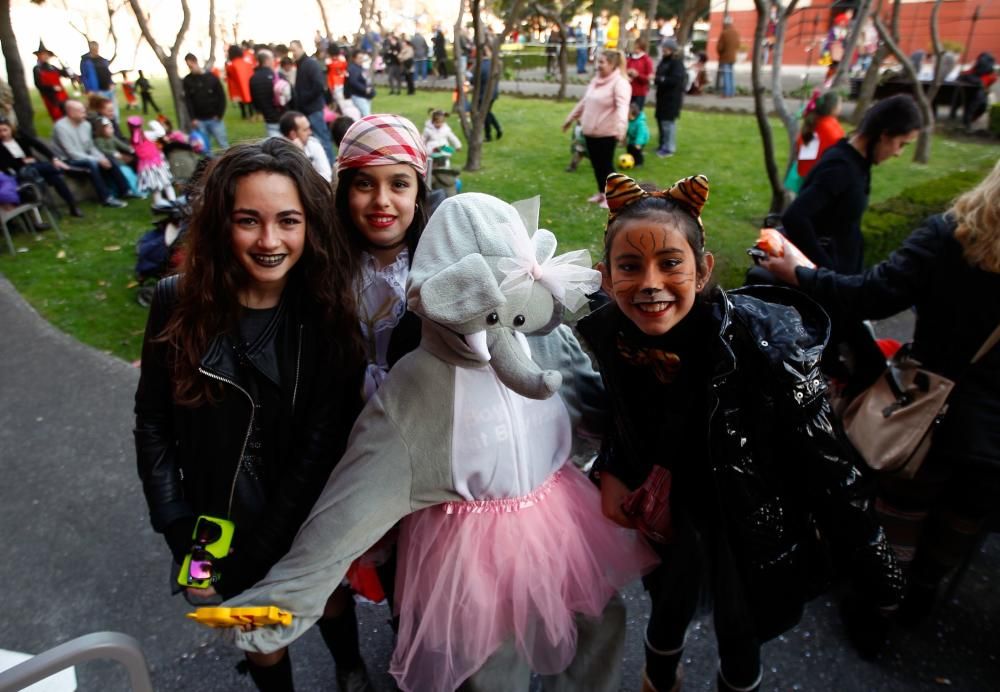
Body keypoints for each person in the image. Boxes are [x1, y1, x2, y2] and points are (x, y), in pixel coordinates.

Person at [222, 181, 656, 692]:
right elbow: (348, 508)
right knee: (491, 663)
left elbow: (601, 407)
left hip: (561, 524)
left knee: (595, 626)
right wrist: (284, 600)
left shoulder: (545, 342)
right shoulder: (415, 389)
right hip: (471, 555)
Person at [579, 171, 903, 692]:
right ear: (605, 276)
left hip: (749, 522)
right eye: (630, 267)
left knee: (740, 625)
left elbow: (828, 465)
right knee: (667, 598)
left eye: (670, 264)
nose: (650, 283)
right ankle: (659, 677)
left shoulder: (764, 346)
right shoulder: (616, 335)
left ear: (704, 270)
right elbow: (625, 415)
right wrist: (616, 465)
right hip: (671, 510)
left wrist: (874, 565)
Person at [134, 137, 370, 692]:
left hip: (306, 511)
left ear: (310, 225)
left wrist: (261, 551)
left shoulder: (328, 316)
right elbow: (153, 424)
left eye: (288, 220)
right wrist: (181, 534)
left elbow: (320, 447)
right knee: (255, 628)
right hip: (210, 523)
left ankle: (351, 667)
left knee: (330, 596)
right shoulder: (175, 301)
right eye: (248, 220)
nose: (270, 241)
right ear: (221, 224)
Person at [761, 159, 1000, 654]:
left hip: (924, 412)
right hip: (994, 436)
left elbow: (871, 294)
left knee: (900, 517)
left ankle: (875, 620)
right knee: (961, 520)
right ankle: (920, 601)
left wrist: (801, 274)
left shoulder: (954, 234)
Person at [782, 94, 922, 275]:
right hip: (830, 284)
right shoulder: (841, 168)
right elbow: (794, 217)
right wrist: (827, 273)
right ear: (884, 136)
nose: (898, 153)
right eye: (901, 144)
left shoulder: (857, 161)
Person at [562, 49, 630, 208]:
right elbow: (584, 102)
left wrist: (621, 129)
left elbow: (622, 108)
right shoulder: (595, 81)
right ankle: (601, 193)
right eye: (597, 61)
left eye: (601, 62)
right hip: (590, 133)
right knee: (597, 166)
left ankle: (612, 197)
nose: (597, 65)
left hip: (607, 133)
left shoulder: (620, 83)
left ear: (612, 64)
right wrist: (570, 119)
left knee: (606, 166)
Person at [51, 100, 134, 208]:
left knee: (108, 158)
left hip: (85, 156)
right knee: (91, 163)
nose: (85, 113)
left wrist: (100, 157)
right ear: (71, 113)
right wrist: (96, 160)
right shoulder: (61, 127)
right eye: (81, 111)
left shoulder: (86, 125)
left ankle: (125, 190)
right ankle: (106, 198)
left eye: (84, 110)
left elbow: (90, 147)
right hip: (68, 160)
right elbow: (71, 153)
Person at [0, 117, 81, 217]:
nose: (3, 134)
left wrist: (53, 158)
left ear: (11, 129)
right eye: (0, 131)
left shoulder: (20, 136)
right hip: (20, 172)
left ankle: (72, 205)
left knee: (56, 178)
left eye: (5, 130)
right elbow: (6, 164)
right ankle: (65, 168)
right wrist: (23, 161)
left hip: (35, 166)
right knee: (50, 170)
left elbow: (38, 145)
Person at [289, 40, 334, 165]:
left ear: (301, 48)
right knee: (313, 141)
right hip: (306, 109)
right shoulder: (301, 64)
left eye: (294, 50)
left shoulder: (310, 64)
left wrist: (304, 98)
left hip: (313, 109)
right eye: (291, 51)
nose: (293, 53)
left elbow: (319, 85)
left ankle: (331, 169)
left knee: (323, 141)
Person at [792, 91, 845, 188]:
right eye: (840, 104)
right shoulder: (829, 126)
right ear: (833, 108)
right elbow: (842, 148)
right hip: (821, 178)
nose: (841, 107)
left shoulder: (814, 122)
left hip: (804, 175)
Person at [182, 53, 229, 155]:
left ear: (195, 62)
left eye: (191, 66)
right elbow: (188, 101)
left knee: (223, 145)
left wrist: (219, 114)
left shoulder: (211, 77)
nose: (191, 68)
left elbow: (222, 97)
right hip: (199, 120)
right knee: (205, 148)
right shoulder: (187, 80)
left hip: (214, 118)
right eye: (188, 66)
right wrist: (193, 118)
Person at [127, 115, 176, 207]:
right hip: (157, 165)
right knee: (167, 184)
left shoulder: (133, 140)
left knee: (155, 188)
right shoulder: (147, 135)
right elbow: (161, 133)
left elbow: (133, 151)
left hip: (146, 168)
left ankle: (159, 205)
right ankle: (173, 202)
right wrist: (153, 123)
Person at [278, 110, 332, 183]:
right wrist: (299, 154)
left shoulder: (313, 144)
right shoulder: (279, 152)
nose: (310, 132)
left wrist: (302, 155)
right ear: (293, 134)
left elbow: (327, 177)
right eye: (305, 130)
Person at [93, 116, 141, 198]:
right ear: (102, 129)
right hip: (112, 162)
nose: (112, 130)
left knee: (130, 173)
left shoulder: (112, 138)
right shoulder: (98, 140)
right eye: (109, 128)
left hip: (120, 161)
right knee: (125, 174)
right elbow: (102, 150)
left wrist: (131, 149)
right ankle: (130, 190)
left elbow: (121, 145)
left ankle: (135, 189)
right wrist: (113, 153)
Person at [654, 37, 685, 158]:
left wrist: (661, 79)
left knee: (668, 123)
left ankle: (669, 148)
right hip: (661, 97)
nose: (663, 50)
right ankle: (662, 145)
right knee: (661, 121)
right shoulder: (664, 61)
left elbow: (675, 80)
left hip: (671, 98)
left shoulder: (677, 63)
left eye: (665, 48)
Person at [249, 49, 285, 137]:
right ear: (267, 60)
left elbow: (254, 101)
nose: (274, 61)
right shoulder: (277, 76)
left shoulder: (253, 78)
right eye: (273, 58)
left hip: (268, 118)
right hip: (283, 116)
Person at [33, 41, 71, 122]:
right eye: (43, 54)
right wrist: (52, 88)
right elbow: (38, 85)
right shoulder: (37, 69)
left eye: (47, 54)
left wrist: (64, 66)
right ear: (38, 56)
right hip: (51, 97)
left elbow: (65, 74)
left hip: (62, 95)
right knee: (58, 117)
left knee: (69, 114)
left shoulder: (53, 67)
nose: (45, 56)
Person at [80, 41, 117, 121]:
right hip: (96, 90)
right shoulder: (86, 61)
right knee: (101, 109)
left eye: (96, 48)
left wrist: (111, 83)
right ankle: (104, 125)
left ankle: (115, 124)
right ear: (90, 48)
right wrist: (88, 89)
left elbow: (107, 72)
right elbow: (84, 76)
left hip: (108, 88)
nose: (95, 50)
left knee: (113, 109)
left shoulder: (102, 60)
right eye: (93, 48)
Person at [477, 44, 503, 141]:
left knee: (485, 113)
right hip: (493, 92)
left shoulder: (483, 65)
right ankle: (492, 132)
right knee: (487, 112)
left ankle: (492, 132)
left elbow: (473, 79)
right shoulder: (495, 63)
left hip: (485, 94)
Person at [225, 44, 255, 120]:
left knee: (241, 100)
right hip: (248, 85)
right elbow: (251, 73)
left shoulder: (231, 65)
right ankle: (251, 114)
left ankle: (244, 114)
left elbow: (230, 77)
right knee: (249, 99)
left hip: (237, 86)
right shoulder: (247, 63)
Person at [626, 38, 655, 109]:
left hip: (640, 93)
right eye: (635, 47)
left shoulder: (646, 60)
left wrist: (638, 75)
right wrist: (628, 71)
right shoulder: (630, 59)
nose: (636, 50)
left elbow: (649, 78)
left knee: (636, 114)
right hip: (629, 91)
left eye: (638, 48)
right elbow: (624, 70)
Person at [345, 49, 375, 118]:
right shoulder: (353, 68)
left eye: (362, 58)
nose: (361, 60)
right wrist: (365, 89)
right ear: (354, 58)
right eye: (359, 58)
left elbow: (366, 80)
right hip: (358, 96)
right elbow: (353, 82)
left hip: (365, 96)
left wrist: (371, 90)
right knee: (366, 116)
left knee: (364, 115)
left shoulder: (361, 67)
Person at [717, 16, 740, 98]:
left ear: (725, 24)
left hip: (725, 57)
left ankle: (726, 93)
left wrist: (720, 53)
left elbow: (720, 47)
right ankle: (731, 92)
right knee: (731, 75)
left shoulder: (724, 33)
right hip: (733, 57)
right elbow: (738, 45)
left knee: (726, 75)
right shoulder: (736, 33)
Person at [625, 102, 649, 166]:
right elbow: (627, 130)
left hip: (642, 139)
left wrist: (638, 143)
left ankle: (639, 162)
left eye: (627, 114)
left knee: (637, 151)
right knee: (629, 148)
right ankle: (629, 161)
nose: (626, 115)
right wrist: (624, 139)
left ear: (633, 115)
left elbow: (640, 134)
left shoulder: (640, 123)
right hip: (632, 138)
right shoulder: (629, 121)